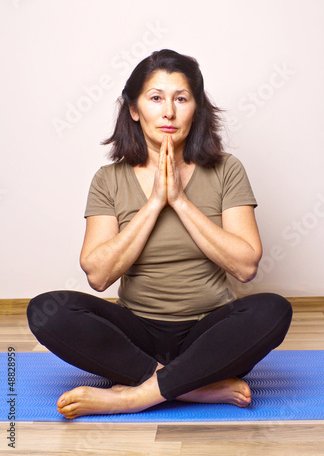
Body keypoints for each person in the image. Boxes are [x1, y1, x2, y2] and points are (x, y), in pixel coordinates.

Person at [27, 49, 292, 419]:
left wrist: (180, 201)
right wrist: (153, 204)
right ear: (134, 109)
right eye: (155, 98)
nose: (168, 111)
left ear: (196, 109)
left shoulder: (226, 170)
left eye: (181, 99)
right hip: (136, 336)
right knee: (44, 311)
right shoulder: (109, 179)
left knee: (274, 311)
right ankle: (196, 388)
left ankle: (133, 397)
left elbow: (246, 265)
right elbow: (99, 275)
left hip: (209, 335)